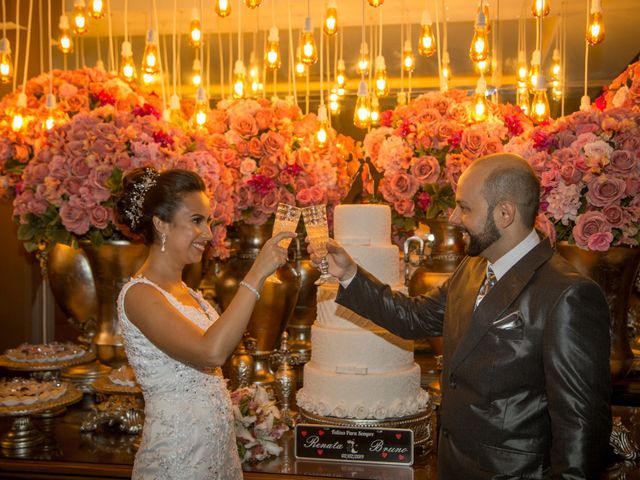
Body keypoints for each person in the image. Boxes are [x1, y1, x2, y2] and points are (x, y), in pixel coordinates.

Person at [308, 153, 612, 479]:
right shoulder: (472, 267)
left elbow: (580, 426)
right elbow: (414, 317)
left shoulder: (567, 294)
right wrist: (349, 273)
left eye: (465, 208)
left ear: (505, 214)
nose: (453, 218)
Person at [115, 167, 294, 480]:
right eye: (196, 220)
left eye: (208, 222)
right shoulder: (139, 295)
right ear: (160, 224)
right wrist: (256, 273)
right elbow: (210, 353)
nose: (209, 234)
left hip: (216, 455)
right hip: (177, 461)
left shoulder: (191, 295)